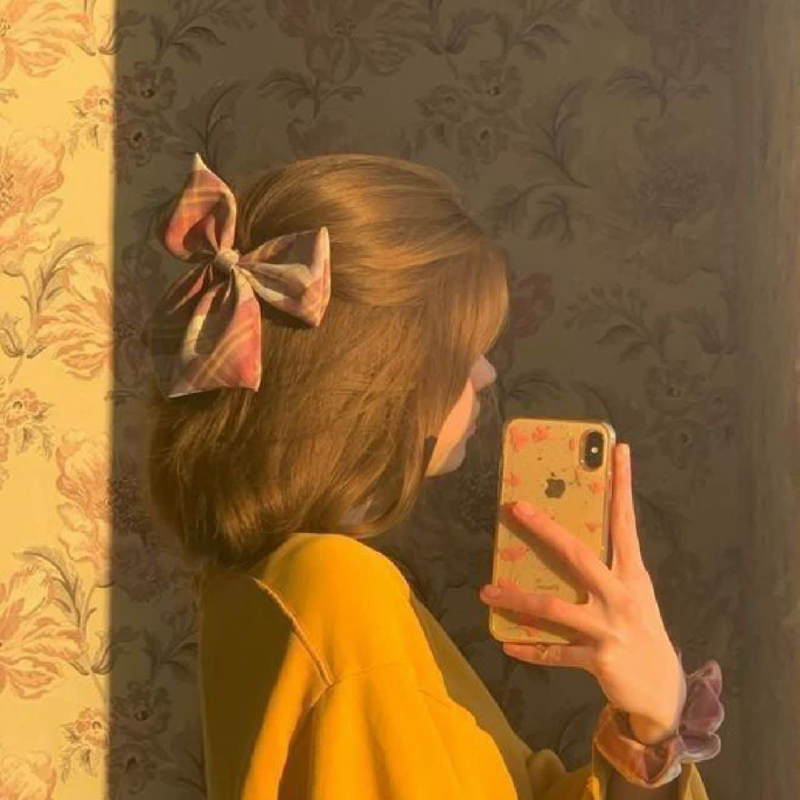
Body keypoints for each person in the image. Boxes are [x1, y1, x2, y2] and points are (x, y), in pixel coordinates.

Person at [139, 152, 724, 799]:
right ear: (379, 373)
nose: (486, 375)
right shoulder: (339, 594)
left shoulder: (284, 585)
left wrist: (652, 725)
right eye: (464, 350)